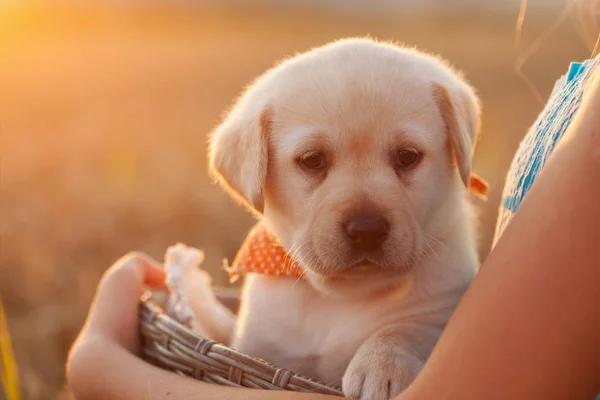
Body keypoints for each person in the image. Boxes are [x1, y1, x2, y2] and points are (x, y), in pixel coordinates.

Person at [66, 27, 600, 400]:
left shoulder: (447, 266)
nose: (365, 216)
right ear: (254, 171)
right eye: (313, 161)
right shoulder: (268, 282)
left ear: (456, 148)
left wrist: (402, 342)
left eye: (406, 158)